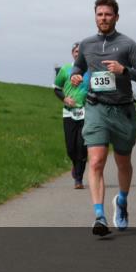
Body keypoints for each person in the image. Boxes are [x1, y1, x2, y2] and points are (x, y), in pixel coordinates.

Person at [70, 0, 136, 236]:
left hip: (123, 110)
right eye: (99, 14)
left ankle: (122, 201)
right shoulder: (86, 44)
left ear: (116, 17)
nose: (103, 18)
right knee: (96, 161)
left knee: (123, 162)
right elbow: (78, 66)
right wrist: (76, 75)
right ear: (95, 16)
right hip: (96, 107)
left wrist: (123, 70)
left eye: (107, 14)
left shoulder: (128, 45)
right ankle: (99, 216)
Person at [54, 43, 90, 188]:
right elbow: (56, 89)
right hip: (68, 113)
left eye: (80, 52)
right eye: (76, 51)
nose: (78, 54)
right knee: (71, 148)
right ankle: (75, 165)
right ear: (72, 53)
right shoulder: (65, 69)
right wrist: (65, 99)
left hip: (86, 113)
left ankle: (79, 179)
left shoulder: (90, 71)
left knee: (82, 147)